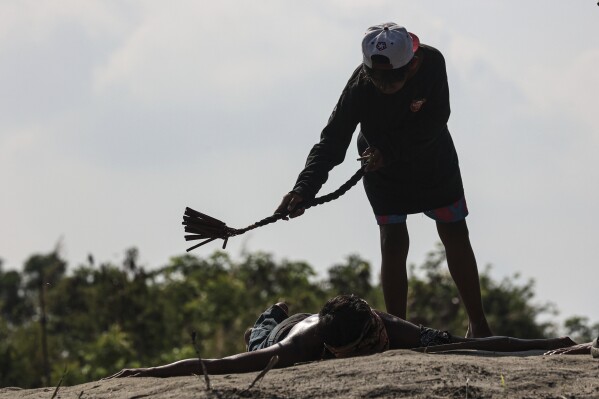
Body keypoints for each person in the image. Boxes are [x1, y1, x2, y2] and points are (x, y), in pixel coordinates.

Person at [275, 22, 491, 337]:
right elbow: (332, 141)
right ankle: (396, 330)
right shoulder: (361, 86)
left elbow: (435, 119)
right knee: (392, 240)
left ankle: (479, 324)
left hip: (433, 159)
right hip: (381, 169)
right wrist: (303, 189)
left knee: (455, 231)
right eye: (376, 78)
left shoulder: (432, 63)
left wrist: (388, 151)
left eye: (393, 78)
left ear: (413, 64)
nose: (384, 85)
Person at [104, 295, 592, 379]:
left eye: (378, 335)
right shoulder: (299, 348)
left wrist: (549, 345)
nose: (381, 345)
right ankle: (270, 312)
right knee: (257, 340)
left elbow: (477, 348)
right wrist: (148, 372)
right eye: (370, 346)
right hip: (283, 329)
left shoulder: (391, 329)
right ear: (339, 351)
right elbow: (220, 364)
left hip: (325, 320)